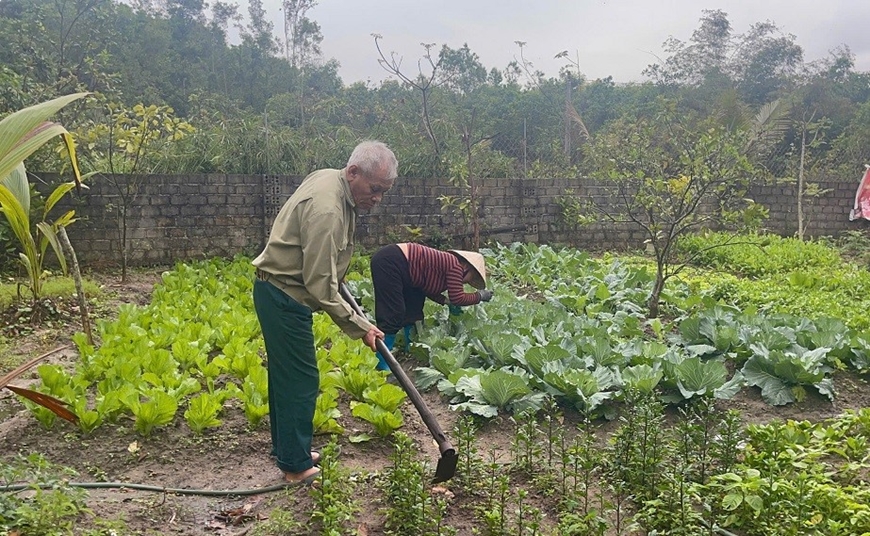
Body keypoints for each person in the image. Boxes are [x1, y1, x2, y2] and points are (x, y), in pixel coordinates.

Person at [251, 140, 398, 485]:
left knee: (286, 380)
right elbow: (320, 285)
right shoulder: (328, 210)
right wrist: (360, 326)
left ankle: (289, 449)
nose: (377, 198)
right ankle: (295, 466)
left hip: (277, 291)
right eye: (375, 189)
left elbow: (326, 266)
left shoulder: (330, 180)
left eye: (383, 192)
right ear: (353, 173)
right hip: (285, 297)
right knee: (301, 381)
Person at [369, 243, 493, 370]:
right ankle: (382, 361)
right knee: (393, 312)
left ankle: (411, 347)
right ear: (467, 266)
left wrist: (447, 302)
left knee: (414, 306)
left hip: (405, 270)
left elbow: (428, 290)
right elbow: (458, 297)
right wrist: (479, 296)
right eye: (467, 279)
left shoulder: (443, 265)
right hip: (392, 261)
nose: (463, 282)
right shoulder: (455, 265)